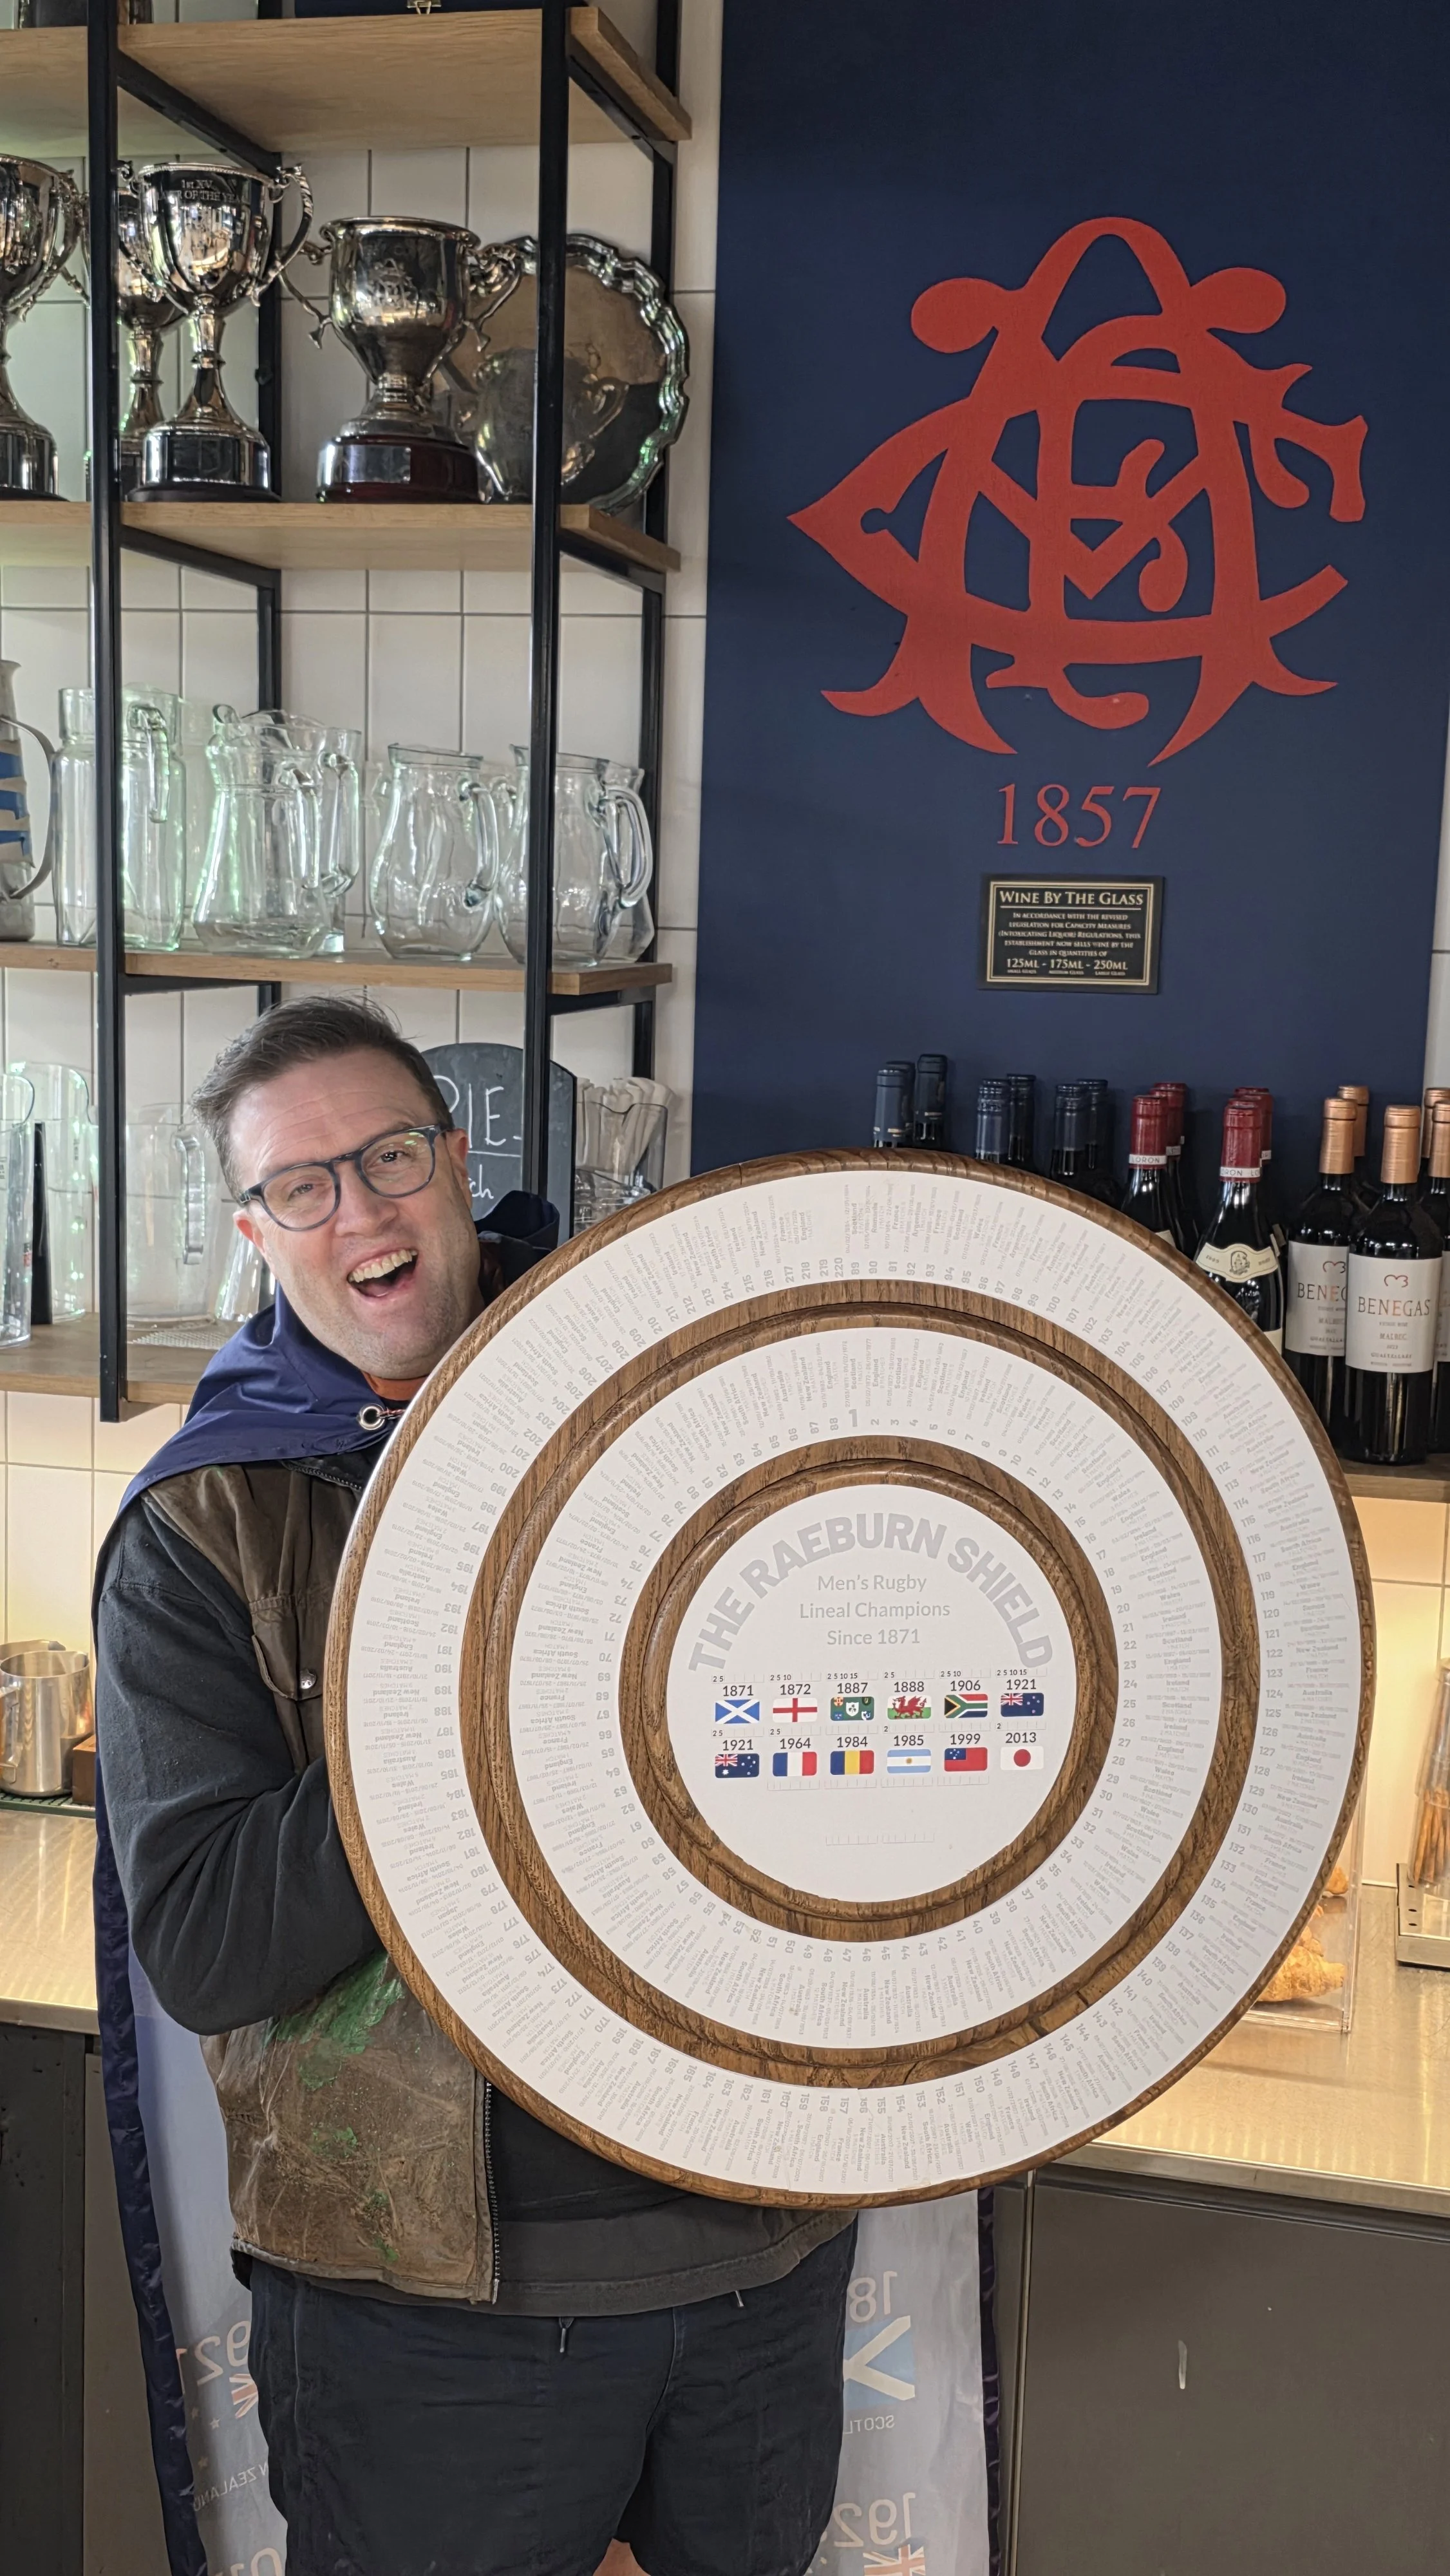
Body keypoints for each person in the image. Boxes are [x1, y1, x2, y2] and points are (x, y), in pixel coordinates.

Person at [95, 996, 854, 2576]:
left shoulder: (671, 1393)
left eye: (388, 1156)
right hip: (432, 2305)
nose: (358, 1209)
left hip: (758, 2251)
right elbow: (213, 1943)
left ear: (455, 1161)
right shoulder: (204, 1524)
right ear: (256, 1230)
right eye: (303, 1185)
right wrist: (473, 1700)